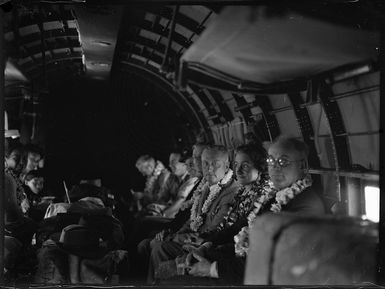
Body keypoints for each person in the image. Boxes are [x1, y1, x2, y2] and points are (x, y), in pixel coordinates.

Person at [166, 136, 326, 285]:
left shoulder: (306, 207)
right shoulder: (276, 198)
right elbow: (241, 228)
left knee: (171, 279)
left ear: (303, 166)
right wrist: (208, 245)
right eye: (271, 160)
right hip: (239, 265)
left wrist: (212, 268)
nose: (275, 168)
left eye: (283, 162)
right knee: (173, 267)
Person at [146, 145, 238, 283]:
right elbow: (193, 218)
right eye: (205, 163)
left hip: (206, 246)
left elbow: (212, 230)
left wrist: (176, 238)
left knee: (159, 248)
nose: (210, 168)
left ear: (226, 166)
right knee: (156, 243)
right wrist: (173, 234)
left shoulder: (231, 192)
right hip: (192, 239)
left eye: (215, 164)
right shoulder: (207, 186)